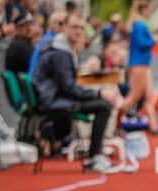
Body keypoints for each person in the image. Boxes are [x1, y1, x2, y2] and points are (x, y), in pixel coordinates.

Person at [33, 12, 119, 172]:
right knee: (103, 106)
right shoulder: (61, 52)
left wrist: (96, 90)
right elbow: (69, 89)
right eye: (74, 27)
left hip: (54, 97)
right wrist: (99, 93)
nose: (79, 31)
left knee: (102, 101)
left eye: (81, 27)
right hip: (52, 101)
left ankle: (95, 155)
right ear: (64, 27)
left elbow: (69, 84)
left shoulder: (63, 48)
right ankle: (94, 158)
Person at [120, 0, 158, 135]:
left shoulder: (140, 23)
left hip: (144, 65)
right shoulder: (138, 24)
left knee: (148, 97)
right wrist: (154, 39)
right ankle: (115, 122)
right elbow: (142, 43)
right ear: (143, 9)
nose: (150, 11)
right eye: (148, 8)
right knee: (134, 96)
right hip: (138, 65)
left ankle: (154, 127)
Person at [28, 10, 64, 75]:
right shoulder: (52, 42)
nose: (64, 26)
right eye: (61, 23)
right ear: (51, 25)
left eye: (67, 23)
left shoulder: (49, 37)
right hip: (39, 82)